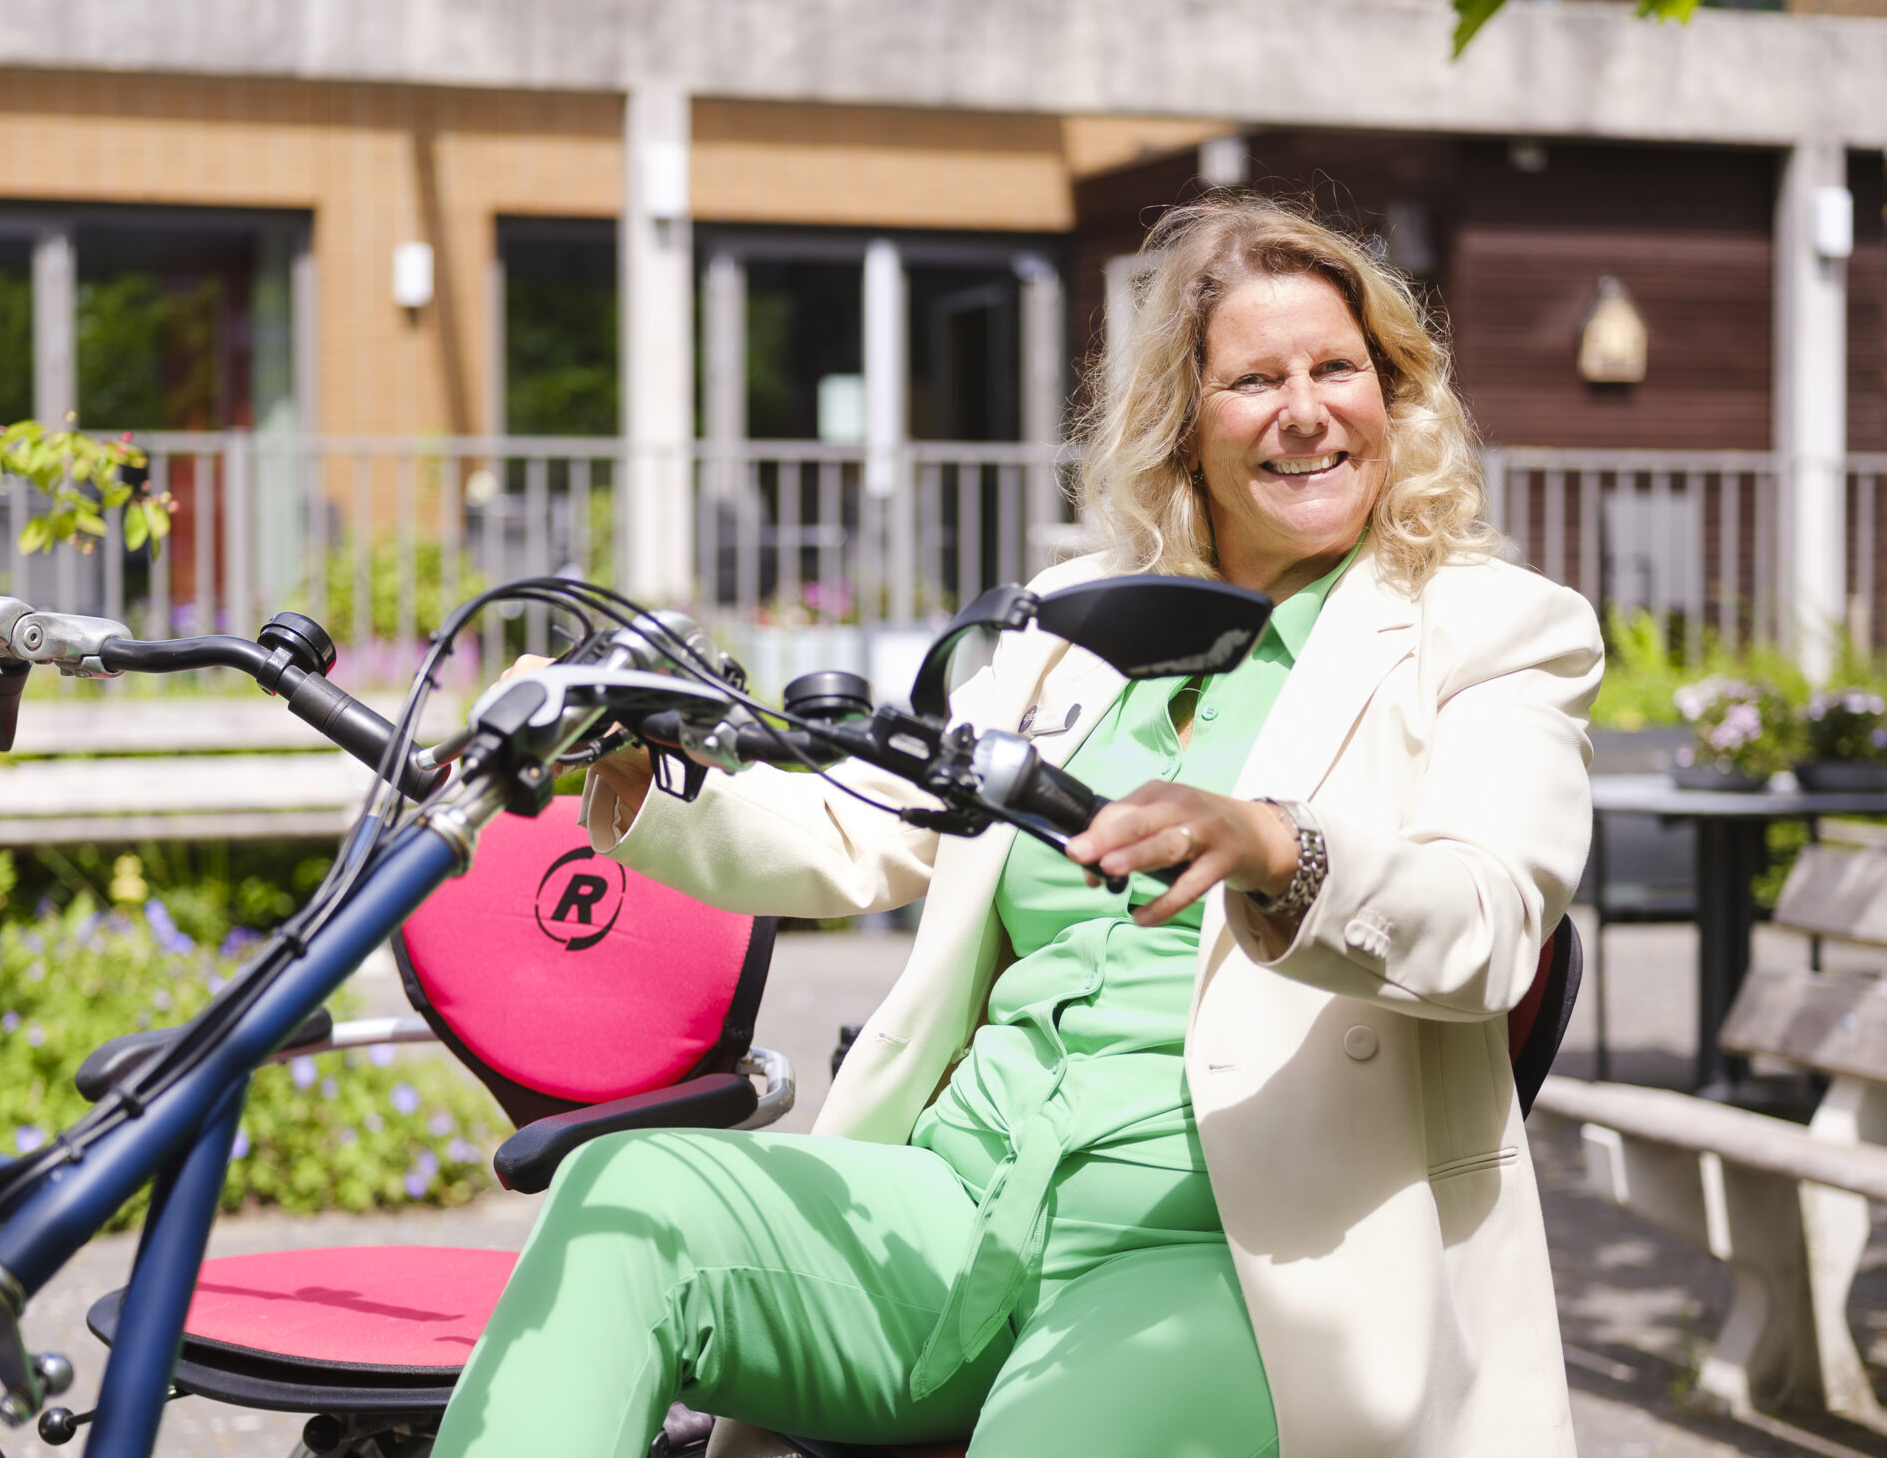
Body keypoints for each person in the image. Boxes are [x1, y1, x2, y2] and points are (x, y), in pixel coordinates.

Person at [432, 195, 1602, 1458]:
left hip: (1233, 1252)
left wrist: (1278, 846)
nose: (1307, 410)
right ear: (1184, 426)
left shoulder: (1488, 629)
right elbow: (863, 826)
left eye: (1338, 369)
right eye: (1255, 379)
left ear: (1395, 394)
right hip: (960, 1194)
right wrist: (645, 765)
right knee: (628, 1192)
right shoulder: (1077, 621)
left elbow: (1487, 922)